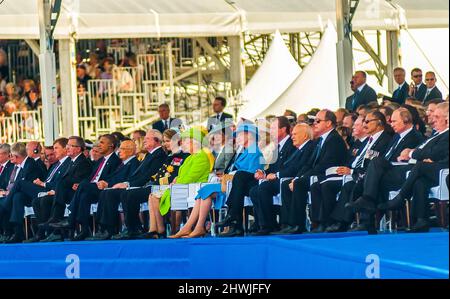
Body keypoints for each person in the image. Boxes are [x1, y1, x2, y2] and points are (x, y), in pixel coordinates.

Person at [171, 124, 262, 238]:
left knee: (205, 191)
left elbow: (253, 173)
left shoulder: (255, 152)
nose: (237, 138)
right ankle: (193, 227)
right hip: (230, 183)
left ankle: (195, 227)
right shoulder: (245, 151)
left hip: (240, 185)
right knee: (203, 192)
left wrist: (230, 175)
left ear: (250, 135)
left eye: (239, 135)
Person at [346, 108, 425, 233]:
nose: (391, 124)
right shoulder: (396, 137)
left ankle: (367, 205)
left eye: (394, 121)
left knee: (376, 163)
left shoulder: (415, 136)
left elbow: (409, 160)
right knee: (366, 178)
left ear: (405, 120)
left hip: (402, 173)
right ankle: (367, 220)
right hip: (388, 172)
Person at [378, 102, 449, 232]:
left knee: (419, 167)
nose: (433, 120)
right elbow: (426, 151)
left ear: (447, 119)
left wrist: (411, 153)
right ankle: (421, 220)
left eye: (437, 117)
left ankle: (400, 197)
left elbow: (435, 152)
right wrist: (420, 155)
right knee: (419, 181)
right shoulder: (437, 133)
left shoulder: (447, 133)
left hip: (444, 169)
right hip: (433, 166)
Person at [317, 113, 392, 233]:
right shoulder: (369, 140)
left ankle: (349, 222)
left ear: (378, 122)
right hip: (357, 174)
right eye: (364, 122)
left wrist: (352, 171)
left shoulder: (385, 139)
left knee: (349, 185)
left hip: (372, 176)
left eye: (367, 122)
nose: (364, 125)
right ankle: (338, 221)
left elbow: (375, 162)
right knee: (332, 184)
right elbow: (357, 159)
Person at [279, 109, 348, 234]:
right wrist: (298, 177)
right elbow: (308, 164)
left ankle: (304, 224)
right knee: (287, 184)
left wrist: (302, 178)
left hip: (329, 174)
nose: (314, 123)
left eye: (318, 121)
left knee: (300, 183)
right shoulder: (319, 141)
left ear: (328, 123)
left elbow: (325, 165)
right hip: (318, 173)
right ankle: (288, 223)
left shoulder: (334, 140)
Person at [144, 127, 213, 239]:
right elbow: (183, 175)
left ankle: (161, 230)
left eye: (184, 141)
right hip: (183, 187)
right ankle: (155, 229)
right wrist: (176, 179)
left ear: (193, 142)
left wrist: (176, 182)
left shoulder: (201, 157)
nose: (182, 144)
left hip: (190, 189)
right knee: (152, 195)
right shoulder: (191, 157)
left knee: (155, 196)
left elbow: (190, 178)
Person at [49, 135, 121, 241]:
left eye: (102, 143)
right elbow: (90, 177)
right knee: (83, 195)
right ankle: (84, 230)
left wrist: (84, 184)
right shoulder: (101, 160)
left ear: (111, 146)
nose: (98, 145)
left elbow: (112, 178)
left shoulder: (115, 160)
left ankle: (71, 219)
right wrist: (81, 184)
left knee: (82, 186)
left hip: (103, 189)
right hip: (91, 189)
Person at [100, 129, 166, 240]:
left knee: (128, 194)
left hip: (151, 187)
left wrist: (128, 184)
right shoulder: (149, 155)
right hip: (139, 185)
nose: (144, 140)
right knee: (110, 193)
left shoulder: (159, 155)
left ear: (157, 140)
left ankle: (134, 229)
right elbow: (138, 176)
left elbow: (148, 176)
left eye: (147, 138)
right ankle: (109, 230)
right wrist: (125, 183)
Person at [252, 123, 316, 235]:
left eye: (295, 134)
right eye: (292, 134)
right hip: (285, 178)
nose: (292, 137)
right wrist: (264, 173)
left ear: (305, 136)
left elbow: (298, 167)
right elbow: (283, 166)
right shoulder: (299, 149)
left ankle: (278, 225)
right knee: (255, 190)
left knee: (264, 188)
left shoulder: (309, 146)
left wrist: (277, 175)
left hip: (294, 178)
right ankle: (266, 224)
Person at [12, 138, 72, 243]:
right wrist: (41, 182)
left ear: (65, 149)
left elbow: (62, 183)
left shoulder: (67, 163)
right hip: (44, 189)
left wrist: (43, 184)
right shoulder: (56, 164)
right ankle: (41, 233)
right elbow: (49, 179)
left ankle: (48, 233)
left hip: (52, 191)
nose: (54, 151)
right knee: (25, 198)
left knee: (20, 183)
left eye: (56, 148)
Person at [39, 136, 93, 242]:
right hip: (67, 193)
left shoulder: (83, 162)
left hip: (77, 193)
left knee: (61, 183)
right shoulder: (72, 161)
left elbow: (78, 180)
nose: (67, 148)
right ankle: (53, 232)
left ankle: (56, 217)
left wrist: (72, 184)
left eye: (70, 146)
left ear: (78, 149)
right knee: (42, 200)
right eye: (67, 145)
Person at [87, 140, 141, 241]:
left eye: (122, 149)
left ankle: (109, 228)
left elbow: (129, 179)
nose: (119, 151)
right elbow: (114, 177)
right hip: (116, 188)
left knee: (108, 193)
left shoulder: (133, 163)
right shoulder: (123, 163)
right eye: (119, 148)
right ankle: (102, 228)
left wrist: (108, 184)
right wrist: (106, 183)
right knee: (105, 193)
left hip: (126, 189)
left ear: (130, 151)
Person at [0, 142, 43, 243]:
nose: (9, 158)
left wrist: (9, 194)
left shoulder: (31, 164)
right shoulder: (15, 166)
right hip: (17, 195)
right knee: (17, 197)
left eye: (10, 155)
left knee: (15, 196)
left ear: (16, 156)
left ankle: (13, 231)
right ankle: (15, 232)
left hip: (33, 195)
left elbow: (26, 185)